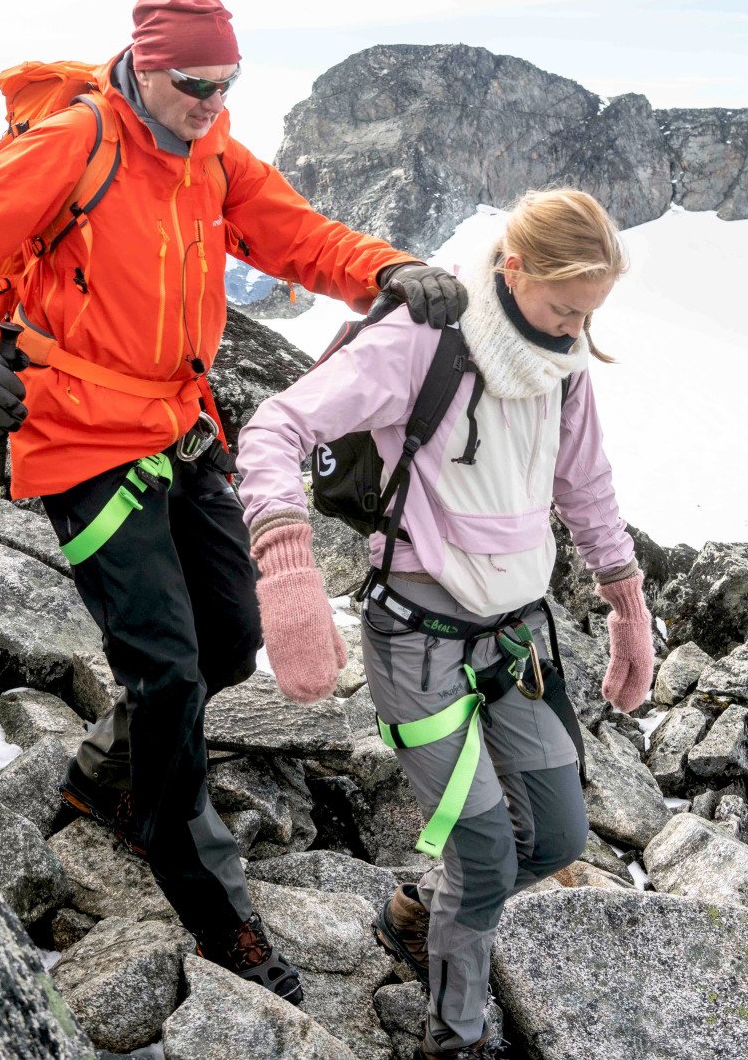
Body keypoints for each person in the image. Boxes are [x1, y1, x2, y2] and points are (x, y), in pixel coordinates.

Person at [0, 0, 466, 1005]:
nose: (212, 102)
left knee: (231, 637)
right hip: (75, 431)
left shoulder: (211, 151)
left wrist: (388, 267)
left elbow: (295, 236)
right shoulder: (74, 142)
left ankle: (110, 772)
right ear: (147, 67)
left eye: (228, 82)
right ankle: (195, 875)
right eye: (196, 83)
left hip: (174, 421)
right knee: (163, 667)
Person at [235, 188, 655, 1055]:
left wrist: (628, 605)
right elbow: (275, 425)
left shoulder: (563, 362)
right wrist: (288, 564)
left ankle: (418, 911)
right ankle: (454, 1034)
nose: (576, 327)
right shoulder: (423, 339)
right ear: (513, 268)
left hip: (516, 638)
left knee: (559, 835)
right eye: (564, 305)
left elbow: (586, 486)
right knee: (491, 854)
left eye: (591, 312)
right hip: (416, 640)